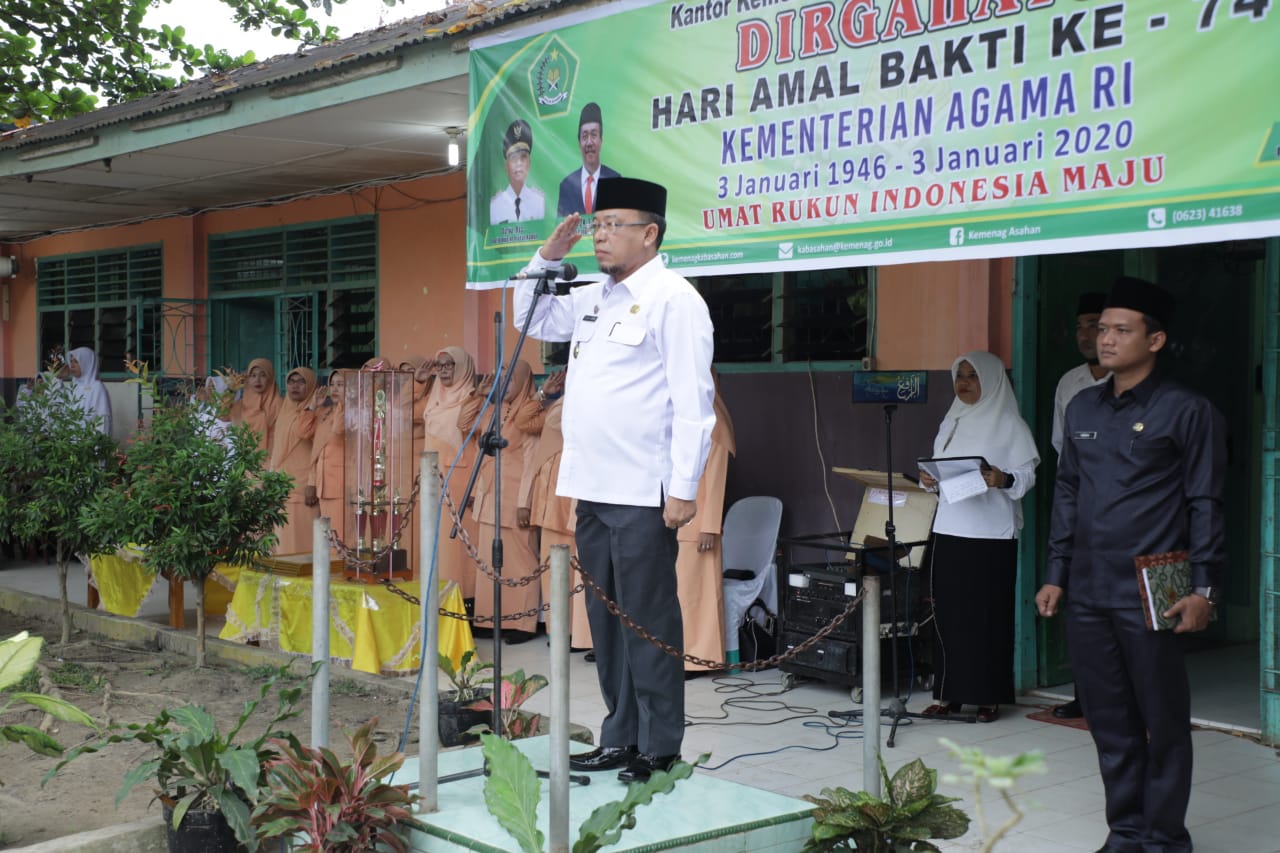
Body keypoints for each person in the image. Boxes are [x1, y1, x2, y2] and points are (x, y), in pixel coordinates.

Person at [514, 176, 716, 783]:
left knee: (647, 622)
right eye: (596, 226)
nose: (599, 236)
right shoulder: (592, 295)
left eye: (612, 226)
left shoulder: (674, 300)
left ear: (649, 234)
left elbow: (694, 403)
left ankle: (659, 747)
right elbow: (529, 317)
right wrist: (547, 256)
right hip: (593, 489)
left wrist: (683, 489)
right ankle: (620, 736)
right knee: (604, 625)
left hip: (641, 492)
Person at [1036, 277, 1225, 853]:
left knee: (1162, 722)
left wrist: (1204, 589)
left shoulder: (1188, 410)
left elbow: (1205, 502)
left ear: (1156, 339)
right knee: (1109, 721)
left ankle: (1164, 839)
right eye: (1102, 329)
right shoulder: (1083, 407)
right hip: (1089, 589)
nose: (1106, 339)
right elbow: (1068, 492)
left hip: (1154, 586)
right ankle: (1125, 833)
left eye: (1122, 330)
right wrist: (1056, 572)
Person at [917, 350, 1039, 724]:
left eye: (973, 376)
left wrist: (1003, 479)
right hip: (949, 529)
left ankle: (988, 697)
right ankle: (948, 695)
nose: (965, 383)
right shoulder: (951, 420)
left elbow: (1027, 476)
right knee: (949, 617)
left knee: (986, 617)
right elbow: (940, 473)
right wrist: (928, 481)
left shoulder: (1010, 424)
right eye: (960, 375)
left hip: (990, 535)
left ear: (992, 380)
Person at [1049, 291, 1110, 720]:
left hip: (1128, 511)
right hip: (1080, 505)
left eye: (1095, 324)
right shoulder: (1070, 384)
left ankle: (1130, 697)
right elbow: (1061, 446)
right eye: (1080, 326)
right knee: (1082, 606)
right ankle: (1085, 694)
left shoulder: (1136, 385)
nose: (1086, 334)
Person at [463, 359, 541, 644]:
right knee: (488, 559)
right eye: (501, 379)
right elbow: (471, 436)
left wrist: (525, 502)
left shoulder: (531, 412)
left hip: (514, 498)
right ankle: (489, 618)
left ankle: (523, 623)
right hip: (489, 494)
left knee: (520, 561)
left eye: (509, 379)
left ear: (522, 381)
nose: (504, 385)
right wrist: (482, 396)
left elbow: (532, 461)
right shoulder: (494, 410)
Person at [515, 368, 593, 651]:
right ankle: (560, 631)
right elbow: (523, 421)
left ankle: (583, 636)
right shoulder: (558, 403)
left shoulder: (589, 400)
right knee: (553, 570)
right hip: (550, 498)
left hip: (572, 498)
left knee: (577, 571)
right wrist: (543, 393)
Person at [674, 371, 734, 677]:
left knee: (698, 595)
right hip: (679, 523)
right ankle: (683, 655)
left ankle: (699, 658)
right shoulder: (690, 421)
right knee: (682, 594)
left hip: (699, 526)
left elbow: (716, 479)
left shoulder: (715, 423)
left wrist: (710, 525)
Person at [418, 346, 481, 598]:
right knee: (438, 542)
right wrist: (419, 382)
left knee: (459, 545)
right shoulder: (434, 396)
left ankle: (465, 599)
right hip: (434, 479)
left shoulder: (472, 397)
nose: (443, 371)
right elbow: (401, 408)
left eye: (449, 365)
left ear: (462, 367)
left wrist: (477, 487)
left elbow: (479, 445)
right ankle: (439, 597)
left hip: (461, 480)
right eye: (440, 365)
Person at [268, 366, 318, 554]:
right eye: (291, 381)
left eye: (301, 382)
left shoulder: (317, 413)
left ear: (311, 385)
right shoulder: (284, 411)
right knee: (283, 547)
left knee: (304, 548)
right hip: (281, 488)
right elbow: (277, 450)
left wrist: (313, 483)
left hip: (304, 491)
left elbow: (318, 452)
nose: (295, 386)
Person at [305, 369, 347, 542]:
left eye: (340, 384)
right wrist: (313, 406)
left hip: (342, 485)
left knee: (340, 538)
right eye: (332, 384)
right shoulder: (325, 411)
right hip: (324, 485)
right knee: (328, 539)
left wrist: (344, 404)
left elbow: (338, 429)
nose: (334, 389)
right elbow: (303, 432)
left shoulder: (353, 411)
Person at [557, 102, 620, 217]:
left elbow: (620, 222)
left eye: (594, 135)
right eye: (584, 137)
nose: (589, 143)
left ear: (601, 140)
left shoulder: (615, 181)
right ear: (579, 143)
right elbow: (562, 224)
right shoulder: (567, 185)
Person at [489, 119, 545, 225]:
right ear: (506, 166)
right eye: (513, 158)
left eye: (523, 157)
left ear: (529, 163)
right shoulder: (495, 205)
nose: (519, 163)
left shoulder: (540, 202)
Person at [230, 358, 282, 452]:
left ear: (270, 378)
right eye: (253, 376)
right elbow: (221, 415)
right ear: (248, 379)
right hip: (246, 457)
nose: (257, 380)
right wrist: (231, 391)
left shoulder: (280, 404)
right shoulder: (241, 405)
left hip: (273, 456)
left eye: (263, 375)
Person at [67, 346, 112, 434]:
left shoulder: (97, 388)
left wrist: (96, 441)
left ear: (87, 363)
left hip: (89, 440)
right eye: (71, 361)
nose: (71, 366)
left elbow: (103, 420)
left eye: (76, 362)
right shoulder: (72, 386)